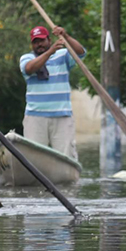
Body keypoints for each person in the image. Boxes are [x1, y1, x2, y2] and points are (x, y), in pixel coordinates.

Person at [19, 25, 85, 159]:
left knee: (66, 156)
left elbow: (81, 52)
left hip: (62, 116)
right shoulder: (27, 58)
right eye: (35, 42)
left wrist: (65, 36)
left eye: (42, 41)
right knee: (34, 158)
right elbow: (29, 69)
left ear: (49, 40)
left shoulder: (63, 55)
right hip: (35, 117)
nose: (39, 45)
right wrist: (50, 52)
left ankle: (66, 179)